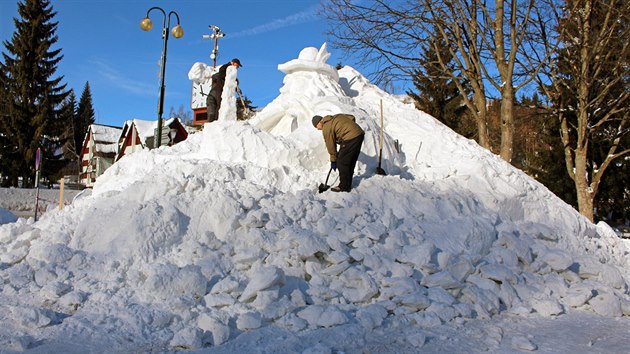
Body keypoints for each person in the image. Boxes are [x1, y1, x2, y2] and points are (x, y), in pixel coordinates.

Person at [312, 114, 365, 192]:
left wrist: (333, 160)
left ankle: (344, 187)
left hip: (350, 138)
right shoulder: (335, 117)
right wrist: (348, 130)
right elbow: (351, 117)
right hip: (359, 134)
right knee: (350, 161)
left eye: (316, 126)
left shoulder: (326, 127)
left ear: (319, 122)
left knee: (341, 162)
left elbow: (330, 145)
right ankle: (347, 184)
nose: (317, 129)